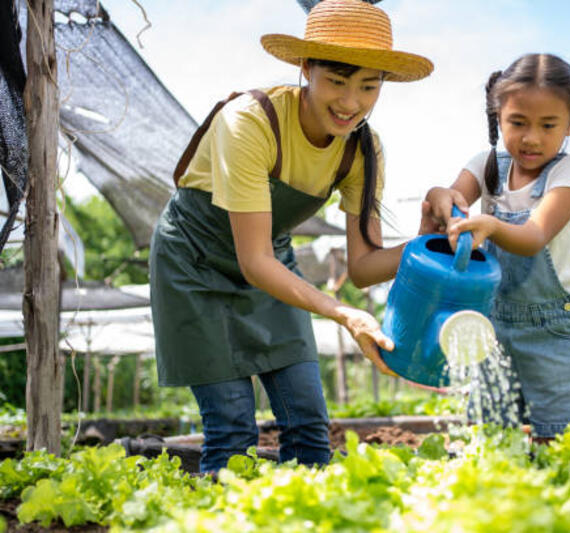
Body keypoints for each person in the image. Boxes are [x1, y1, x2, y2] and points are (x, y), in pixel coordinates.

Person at [149, 0, 433, 473]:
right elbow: (253, 260)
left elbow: (365, 267)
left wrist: (431, 242)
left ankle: (302, 510)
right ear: (306, 68)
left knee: (307, 424)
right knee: (232, 428)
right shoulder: (250, 121)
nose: (351, 103)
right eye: (337, 81)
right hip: (195, 265)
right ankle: (221, 510)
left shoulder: (362, 149)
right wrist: (342, 313)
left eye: (369, 86)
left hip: (270, 263)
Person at [423, 53, 570, 437]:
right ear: (498, 116)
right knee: (491, 433)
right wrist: (440, 197)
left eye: (548, 125)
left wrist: (490, 225)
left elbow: (533, 237)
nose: (531, 138)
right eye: (518, 122)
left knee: (565, 438)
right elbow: (453, 197)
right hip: (494, 323)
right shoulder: (487, 165)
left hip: (557, 331)